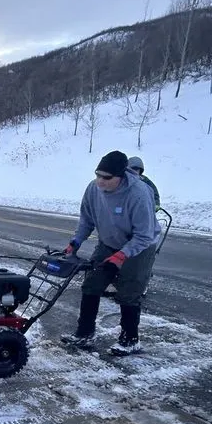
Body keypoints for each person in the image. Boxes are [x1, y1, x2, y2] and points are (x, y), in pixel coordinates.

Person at [60, 150, 161, 355]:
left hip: (139, 246)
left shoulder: (138, 194)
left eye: (107, 177)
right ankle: (84, 333)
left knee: (128, 293)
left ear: (120, 176)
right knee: (91, 285)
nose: (100, 181)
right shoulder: (93, 189)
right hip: (109, 242)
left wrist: (121, 256)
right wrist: (75, 242)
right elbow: (86, 220)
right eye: (98, 175)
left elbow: (144, 234)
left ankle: (130, 339)